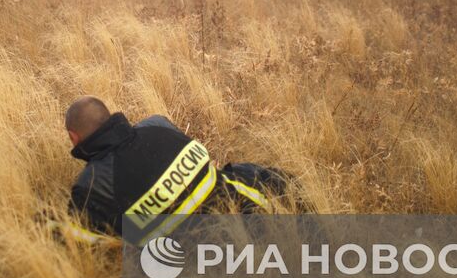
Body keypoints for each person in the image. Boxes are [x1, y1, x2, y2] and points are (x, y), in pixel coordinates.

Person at [58, 95, 289, 245]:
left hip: (195, 265)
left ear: (73, 137)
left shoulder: (92, 184)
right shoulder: (158, 125)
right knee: (246, 172)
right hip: (252, 220)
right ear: (109, 118)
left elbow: (83, 238)